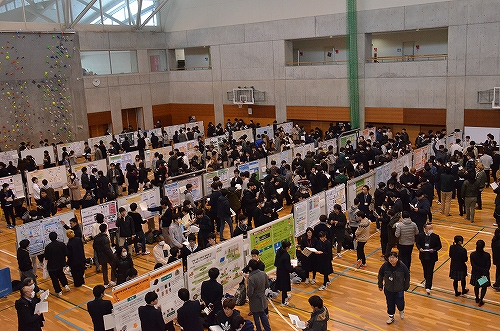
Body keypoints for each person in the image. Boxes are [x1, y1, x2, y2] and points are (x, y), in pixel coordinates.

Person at [377, 251, 410, 325]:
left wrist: (406, 286)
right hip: (388, 289)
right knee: (390, 303)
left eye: (393, 257)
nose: (391, 259)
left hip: (399, 290)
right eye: (390, 257)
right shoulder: (385, 266)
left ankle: (401, 310)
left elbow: (407, 276)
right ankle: (391, 316)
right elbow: (380, 274)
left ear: (397, 258)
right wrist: (380, 285)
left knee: (400, 303)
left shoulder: (402, 266)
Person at [415, 223, 442, 295]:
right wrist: (419, 248)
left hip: (432, 256)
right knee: (425, 269)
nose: (430, 230)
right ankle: (427, 281)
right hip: (423, 255)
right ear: (425, 229)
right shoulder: (420, 236)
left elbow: (439, 246)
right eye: (429, 228)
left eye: (431, 228)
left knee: (430, 271)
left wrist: (434, 249)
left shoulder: (436, 237)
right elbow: (417, 243)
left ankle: (428, 287)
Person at [247, 259, 271, 331]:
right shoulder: (263, 273)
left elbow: (250, 292)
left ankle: (259, 329)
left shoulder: (251, 278)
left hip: (255, 299)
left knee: (256, 317)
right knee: (263, 314)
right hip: (262, 297)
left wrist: (248, 296)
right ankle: (267, 329)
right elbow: (267, 285)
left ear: (250, 268)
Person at [44, 231, 70, 296]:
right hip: (61, 264)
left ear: (50, 238)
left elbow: (46, 257)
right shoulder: (62, 244)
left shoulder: (48, 247)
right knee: (61, 274)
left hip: (52, 266)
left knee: (54, 279)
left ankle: (59, 291)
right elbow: (66, 253)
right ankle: (66, 285)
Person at [93, 223, 117, 288]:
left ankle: (106, 283)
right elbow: (107, 249)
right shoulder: (105, 238)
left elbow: (94, 247)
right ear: (106, 229)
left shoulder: (96, 238)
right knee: (114, 266)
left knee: (104, 269)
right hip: (107, 256)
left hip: (100, 256)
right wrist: (112, 255)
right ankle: (113, 280)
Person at [470, 239, 491, 306]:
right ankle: (481, 299)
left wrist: (479, 270)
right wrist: (484, 272)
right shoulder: (487, 255)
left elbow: (473, 265)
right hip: (483, 274)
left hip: (476, 273)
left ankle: (477, 298)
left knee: (476, 286)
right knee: (484, 287)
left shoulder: (472, 254)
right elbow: (488, 265)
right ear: (484, 246)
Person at [274, 240, 294, 306]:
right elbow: (288, 267)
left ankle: (285, 296)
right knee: (284, 286)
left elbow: (276, 262)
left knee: (282, 285)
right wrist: (293, 268)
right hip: (284, 273)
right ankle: (283, 302)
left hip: (279, 271)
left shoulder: (279, 250)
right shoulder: (286, 255)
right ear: (287, 247)